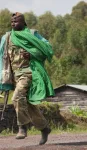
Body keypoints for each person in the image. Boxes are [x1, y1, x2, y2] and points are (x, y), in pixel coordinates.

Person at [0, 12, 55, 145]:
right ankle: (44, 128)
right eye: (12, 22)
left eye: (16, 21)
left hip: (29, 72)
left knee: (17, 97)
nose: (13, 24)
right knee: (28, 104)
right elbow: (2, 57)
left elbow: (46, 48)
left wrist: (31, 54)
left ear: (23, 22)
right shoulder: (7, 37)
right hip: (15, 75)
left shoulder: (32, 34)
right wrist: (3, 79)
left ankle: (22, 127)